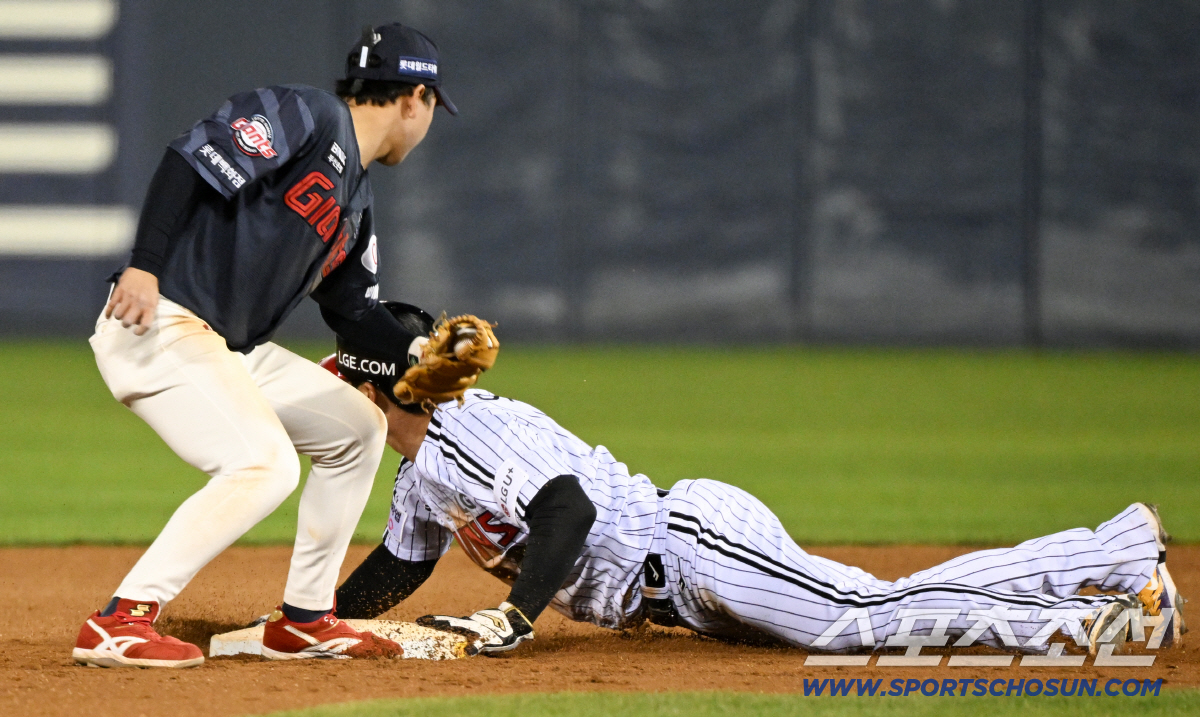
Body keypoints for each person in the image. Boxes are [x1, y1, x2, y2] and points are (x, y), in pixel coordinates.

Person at [324, 303, 1186, 656]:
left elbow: (568, 508)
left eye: (339, 383)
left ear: (374, 387)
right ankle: (1111, 563)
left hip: (694, 548)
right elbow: (400, 567)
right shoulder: (423, 476)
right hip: (682, 588)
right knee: (874, 610)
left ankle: (1108, 597)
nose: (331, 399)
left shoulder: (465, 432)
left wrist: (516, 616)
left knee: (868, 616)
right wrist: (311, 623)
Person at [74, 23, 458, 669]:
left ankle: (305, 619)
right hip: (158, 318)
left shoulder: (357, 200)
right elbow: (187, 157)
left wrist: (421, 358)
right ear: (414, 97)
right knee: (265, 463)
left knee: (357, 428)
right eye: (430, 109)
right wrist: (143, 263)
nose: (426, 125)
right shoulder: (306, 113)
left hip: (225, 347)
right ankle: (121, 618)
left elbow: (354, 312)